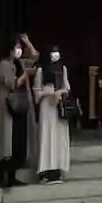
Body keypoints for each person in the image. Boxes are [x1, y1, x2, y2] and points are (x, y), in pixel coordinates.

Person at [0, 34, 36, 190]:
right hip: (8, 107)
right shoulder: (4, 65)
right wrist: (25, 75)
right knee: (7, 146)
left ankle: (12, 177)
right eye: (16, 47)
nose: (19, 50)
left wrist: (27, 42)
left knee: (18, 144)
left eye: (20, 48)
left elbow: (35, 57)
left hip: (21, 107)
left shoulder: (20, 63)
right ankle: (2, 178)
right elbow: (12, 83)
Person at [34, 45, 72, 183]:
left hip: (59, 105)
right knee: (47, 136)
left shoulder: (63, 68)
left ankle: (58, 169)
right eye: (52, 51)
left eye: (57, 51)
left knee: (59, 137)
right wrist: (48, 93)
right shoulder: (41, 70)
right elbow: (37, 90)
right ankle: (45, 171)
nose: (55, 54)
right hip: (47, 106)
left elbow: (67, 87)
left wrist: (60, 92)